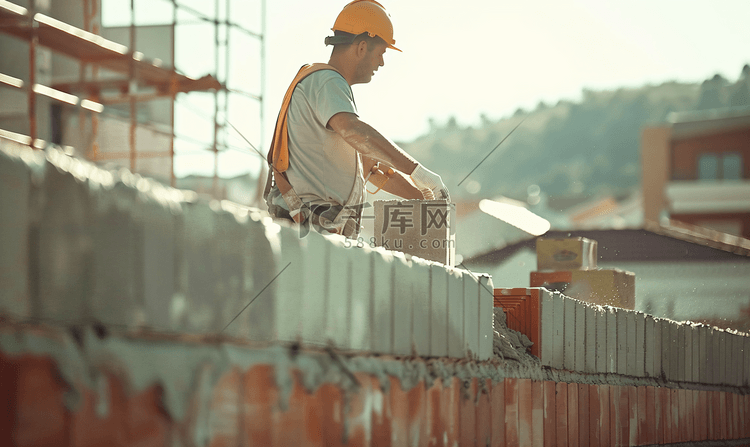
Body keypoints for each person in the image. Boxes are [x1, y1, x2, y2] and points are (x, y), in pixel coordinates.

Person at [264, 0, 449, 238]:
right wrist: (419, 173)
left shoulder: (328, 92)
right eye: (381, 53)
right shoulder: (327, 81)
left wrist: (423, 197)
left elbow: (369, 165)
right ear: (362, 47)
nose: (381, 62)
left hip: (315, 227)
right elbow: (354, 130)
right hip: (310, 227)